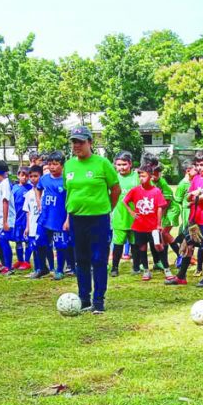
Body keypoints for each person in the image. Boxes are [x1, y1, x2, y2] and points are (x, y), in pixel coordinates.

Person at [63, 126, 121, 314]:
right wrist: (67, 217)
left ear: (90, 143)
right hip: (76, 219)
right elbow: (69, 193)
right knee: (81, 260)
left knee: (98, 259)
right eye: (74, 142)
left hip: (98, 220)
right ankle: (84, 299)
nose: (77, 145)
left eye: (81, 141)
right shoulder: (69, 165)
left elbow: (116, 189)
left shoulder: (102, 163)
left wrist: (106, 209)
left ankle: (98, 300)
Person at [168, 150, 203, 287]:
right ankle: (181, 276)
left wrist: (196, 195)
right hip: (194, 219)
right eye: (197, 165)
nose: (199, 168)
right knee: (187, 245)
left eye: (202, 164)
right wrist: (195, 195)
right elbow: (188, 196)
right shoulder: (196, 179)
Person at [122, 163, 167, 281]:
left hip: (153, 227)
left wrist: (159, 224)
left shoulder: (156, 191)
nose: (141, 178)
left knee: (158, 246)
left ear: (151, 176)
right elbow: (124, 201)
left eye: (144, 176)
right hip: (139, 226)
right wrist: (131, 212)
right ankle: (146, 270)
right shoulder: (135, 190)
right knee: (142, 248)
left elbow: (160, 207)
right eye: (140, 176)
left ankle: (167, 269)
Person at [33, 151, 72, 280]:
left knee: (60, 245)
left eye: (55, 164)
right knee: (39, 243)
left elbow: (71, 200)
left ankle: (59, 270)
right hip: (44, 218)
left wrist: (67, 219)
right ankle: (42, 268)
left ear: (62, 165)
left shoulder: (67, 180)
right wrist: (39, 202)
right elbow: (38, 188)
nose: (52, 167)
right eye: (49, 164)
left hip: (59, 219)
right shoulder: (44, 178)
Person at [110, 152, 139, 277]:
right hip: (119, 216)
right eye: (118, 165)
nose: (121, 167)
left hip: (135, 218)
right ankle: (115, 267)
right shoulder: (113, 179)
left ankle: (136, 266)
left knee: (135, 243)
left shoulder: (137, 177)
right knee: (118, 244)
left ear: (130, 164)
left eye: (124, 164)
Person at [0, 160, 17, 275]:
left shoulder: (5, 184)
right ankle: (2, 263)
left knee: (4, 241)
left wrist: (5, 222)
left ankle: (9, 267)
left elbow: (5, 202)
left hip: (5, 220)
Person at [22, 165, 43, 272]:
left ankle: (50, 268)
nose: (33, 178)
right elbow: (28, 212)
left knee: (44, 248)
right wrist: (27, 227)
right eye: (31, 176)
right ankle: (37, 269)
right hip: (32, 226)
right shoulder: (28, 194)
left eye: (36, 176)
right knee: (34, 248)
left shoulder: (45, 192)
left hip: (42, 225)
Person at [11, 166, 32, 270]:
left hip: (27, 220)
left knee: (27, 241)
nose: (24, 177)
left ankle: (27, 261)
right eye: (22, 175)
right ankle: (20, 260)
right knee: (18, 241)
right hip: (17, 219)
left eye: (27, 176)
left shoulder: (31, 188)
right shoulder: (14, 189)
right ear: (18, 175)